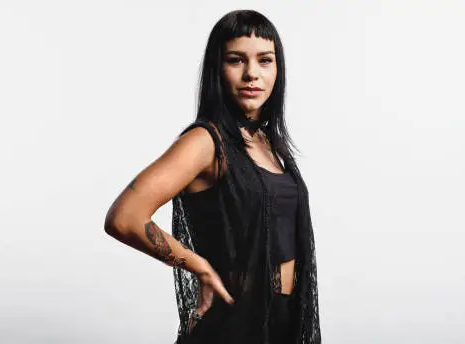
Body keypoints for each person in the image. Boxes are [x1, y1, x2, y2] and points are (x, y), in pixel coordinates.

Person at [104, 9, 321, 344]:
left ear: (278, 70)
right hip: (235, 322)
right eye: (236, 60)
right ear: (217, 69)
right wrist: (200, 267)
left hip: (283, 318)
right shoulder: (206, 142)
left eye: (265, 60)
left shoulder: (266, 141)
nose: (252, 74)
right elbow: (124, 217)